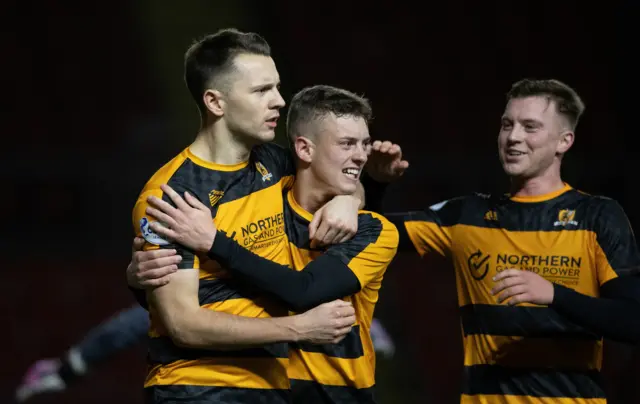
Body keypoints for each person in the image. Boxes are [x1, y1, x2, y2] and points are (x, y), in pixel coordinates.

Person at [366, 78, 640, 404]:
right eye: (507, 125)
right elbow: (366, 235)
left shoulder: (598, 217)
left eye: (530, 127)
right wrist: (374, 183)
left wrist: (554, 295)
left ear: (564, 141)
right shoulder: (465, 215)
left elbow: (632, 322)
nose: (513, 137)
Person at [132, 29, 365, 404]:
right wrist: (299, 328)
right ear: (215, 102)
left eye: (276, 88)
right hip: (198, 386)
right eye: (261, 91)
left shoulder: (275, 162)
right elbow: (183, 325)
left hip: (270, 384)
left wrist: (349, 199)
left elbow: (344, 176)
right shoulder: (170, 195)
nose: (279, 101)